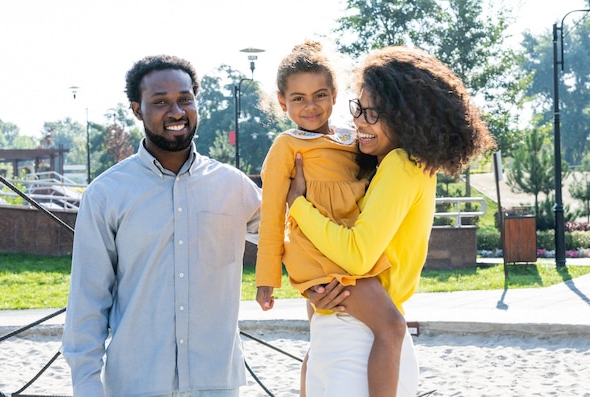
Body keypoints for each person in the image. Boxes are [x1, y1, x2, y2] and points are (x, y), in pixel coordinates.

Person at [286, 45, 496, 396]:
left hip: (361, 343)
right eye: (359, 109)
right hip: (342, 332)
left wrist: (299, 206)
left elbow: (357, 257)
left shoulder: (401, 164)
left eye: (375, 114)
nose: (360, 122)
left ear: (408, 117)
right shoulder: (388, 164)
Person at [62, 55, 262, 397]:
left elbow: (288, 241)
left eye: (185, 99)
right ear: (137, 110)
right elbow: (87, 300)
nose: (176, 111)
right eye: (160, 102)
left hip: (215, 384)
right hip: (134, 384)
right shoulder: (107, 194)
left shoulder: (235, 187)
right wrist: (86, 384)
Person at [255, 40, 407, 397]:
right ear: (282, 102)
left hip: (346, 245)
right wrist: (266, 280)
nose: (311, 106)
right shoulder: (286, 147)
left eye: (320, 95)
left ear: (336, 95)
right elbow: (272, 214)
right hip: (319, 254)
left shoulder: (352, 140)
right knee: (391, 326)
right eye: (298, 98)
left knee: (320, 341)